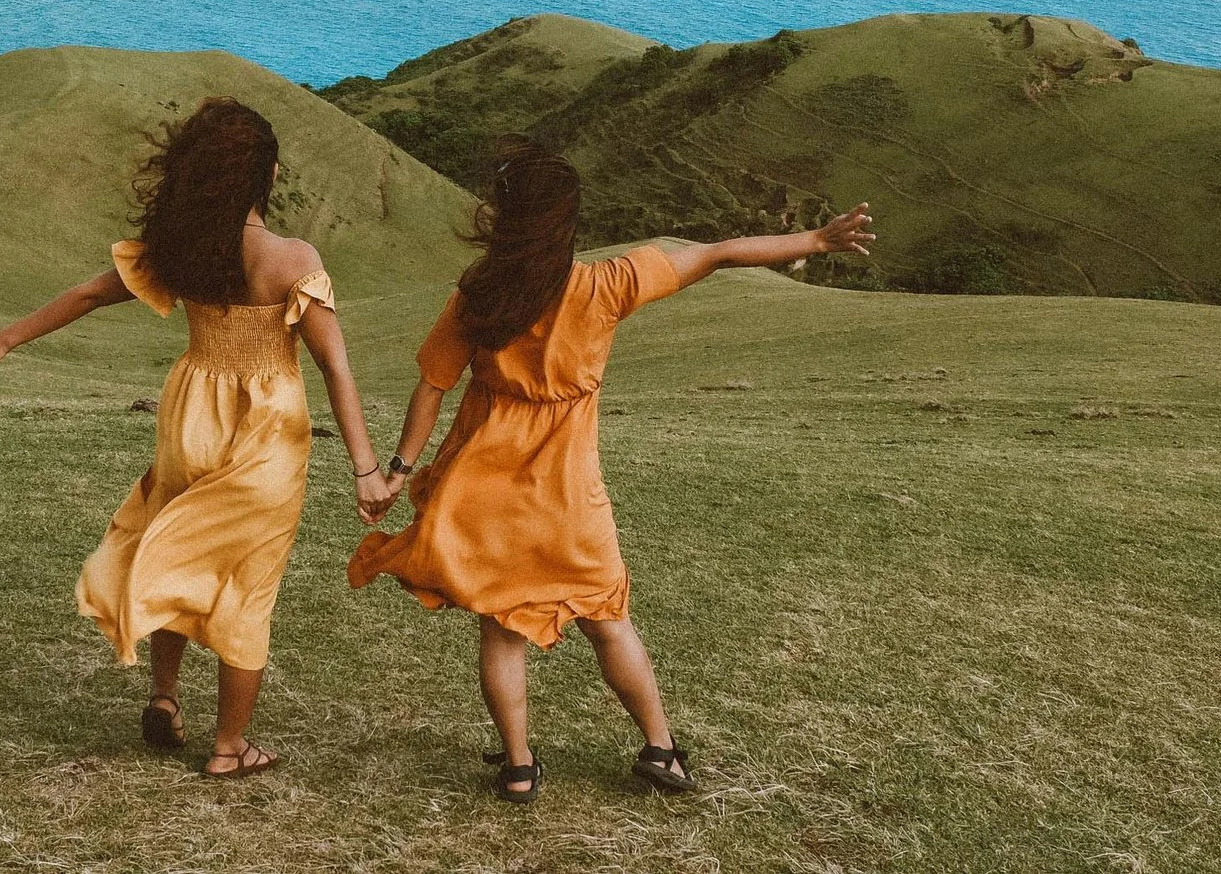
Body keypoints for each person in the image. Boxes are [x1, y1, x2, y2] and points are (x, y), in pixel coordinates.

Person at [348, 135, 873, 802]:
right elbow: (715, 254)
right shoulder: (604, 286)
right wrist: (817, 240)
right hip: (567, 492)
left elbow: (432, 386)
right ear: (566, 226)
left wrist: (399, 467)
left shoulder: (477, 294)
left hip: (485, 488)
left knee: (502, 627)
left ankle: (517, 767)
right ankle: (660, 750)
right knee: (607, 617)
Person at [0, 96, 397, 778]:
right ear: (268, 175)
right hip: (264, 433)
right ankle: (229, 746)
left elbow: (87, 294)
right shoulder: (292, 258)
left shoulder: (183, 250)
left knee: (174, 542)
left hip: (190, 413)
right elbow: (333, 363)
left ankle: (165, 695)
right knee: (246, 590)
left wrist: (2, 338)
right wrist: (367, 469)